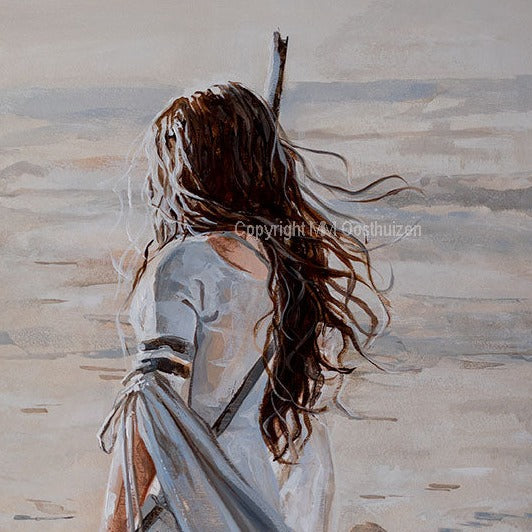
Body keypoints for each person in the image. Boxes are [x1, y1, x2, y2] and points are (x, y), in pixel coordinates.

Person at [99, 82, 402, 531]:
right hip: (255, 494)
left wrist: (114, 523)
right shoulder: (279, 267)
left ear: (188, 170)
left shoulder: (181, 265)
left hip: (190, 502)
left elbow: (150, 410)